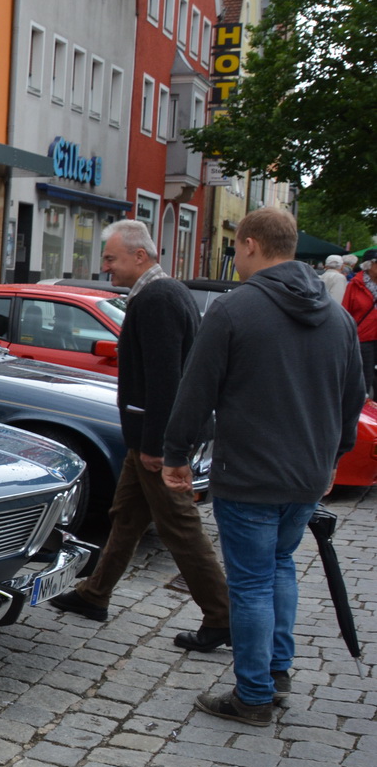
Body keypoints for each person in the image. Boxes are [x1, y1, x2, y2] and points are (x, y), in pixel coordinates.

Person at [161, 207, 364, 726]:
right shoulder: (338, 318)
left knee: (251, 581)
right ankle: (275, 671)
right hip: (307, 475)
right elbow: (352, 398)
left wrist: (177, 456)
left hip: (250, 473)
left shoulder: (235, 310)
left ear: (249, 244)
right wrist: (335, 458)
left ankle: (252, 696)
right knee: (279, 567)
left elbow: (195, 390)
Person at [49, 221, 230, 650]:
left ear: (139, 256)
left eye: (111, 258)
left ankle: (222, 615)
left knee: (180, 526)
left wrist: (158, 448)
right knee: (126, 516)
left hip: (158, 438)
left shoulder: (157, 298)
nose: (105, 266)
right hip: (150, 436)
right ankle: (94, 594)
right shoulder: (164, 291)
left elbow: (165, 378)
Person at [345, 251, 377, 398]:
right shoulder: (355, 285)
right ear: (369, 265)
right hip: (363, 340)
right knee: (364, 379)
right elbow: (345, 312)